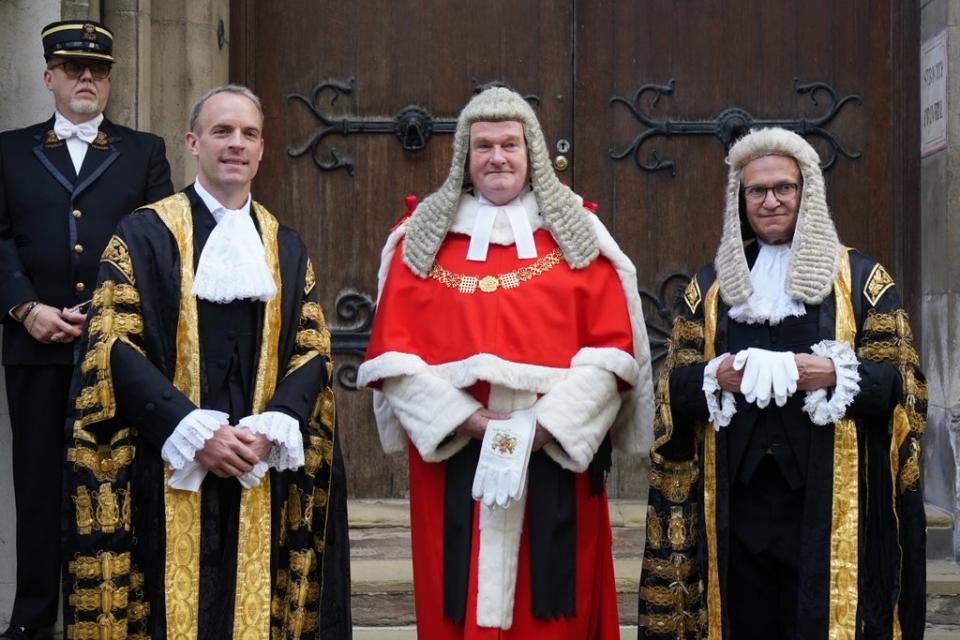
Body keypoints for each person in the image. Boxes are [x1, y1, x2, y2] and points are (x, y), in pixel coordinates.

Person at [358, 86, 654, 638]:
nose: (497, 157)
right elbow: (393, 360)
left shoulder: (580, 237)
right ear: (464, 160)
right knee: (454, 600)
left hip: (555, 456)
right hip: (454, 456)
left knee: (554, 609)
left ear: (531, 152)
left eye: (510, 145)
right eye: (484, 146)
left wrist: (539, 429)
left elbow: (614, 353)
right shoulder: (419, 241)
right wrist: (468, 423)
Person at [61, 85, 351, 639]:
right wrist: (192, 431)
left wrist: (275, 427)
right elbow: (113, 344)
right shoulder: (143, 233)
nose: (235, 144)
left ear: (263, 149)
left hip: (260, 460)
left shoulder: (285, 245)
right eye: (222, 131)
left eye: (248, 134)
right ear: (193, 143)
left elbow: (312, 347)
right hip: (167, 457)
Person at [638, 127, 926, 639]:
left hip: (824, 503)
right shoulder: (708, 288)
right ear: (740, 200)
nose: (770, 201)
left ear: (805, 192)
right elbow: (672, 392)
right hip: (735, 503)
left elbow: (900, 387)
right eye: (757, 191)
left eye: (783, 188)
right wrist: (714, 376)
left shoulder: (862, 281)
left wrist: (833, 373)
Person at [0, 20, 173, 640]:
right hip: (34, 347)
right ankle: (33, 619)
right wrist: (26, 308)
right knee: (42, 490)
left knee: (117, 481)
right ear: (48, 77)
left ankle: (113, 620)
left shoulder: (144, 150)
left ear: (109, 81)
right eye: (73, 68)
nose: (85, 79)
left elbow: (156, 242)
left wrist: (104, 311)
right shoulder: (8, 150)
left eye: (97, 70)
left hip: (118, 350)